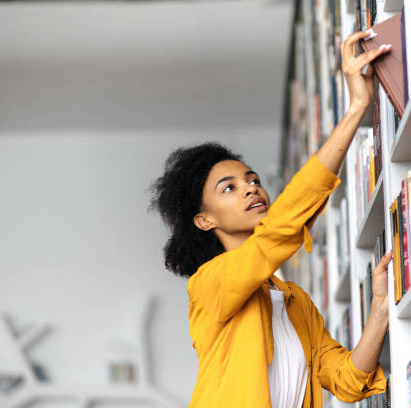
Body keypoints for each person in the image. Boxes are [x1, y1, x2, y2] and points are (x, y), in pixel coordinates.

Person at [149, 30, 393, 408]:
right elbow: (279, 231)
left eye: (253, 180)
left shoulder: (295, 301)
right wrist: (356, 108)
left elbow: (347, 381)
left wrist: (380, 307)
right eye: (228, 188)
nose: (250, 189)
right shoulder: (210, 284)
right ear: (204, 220)